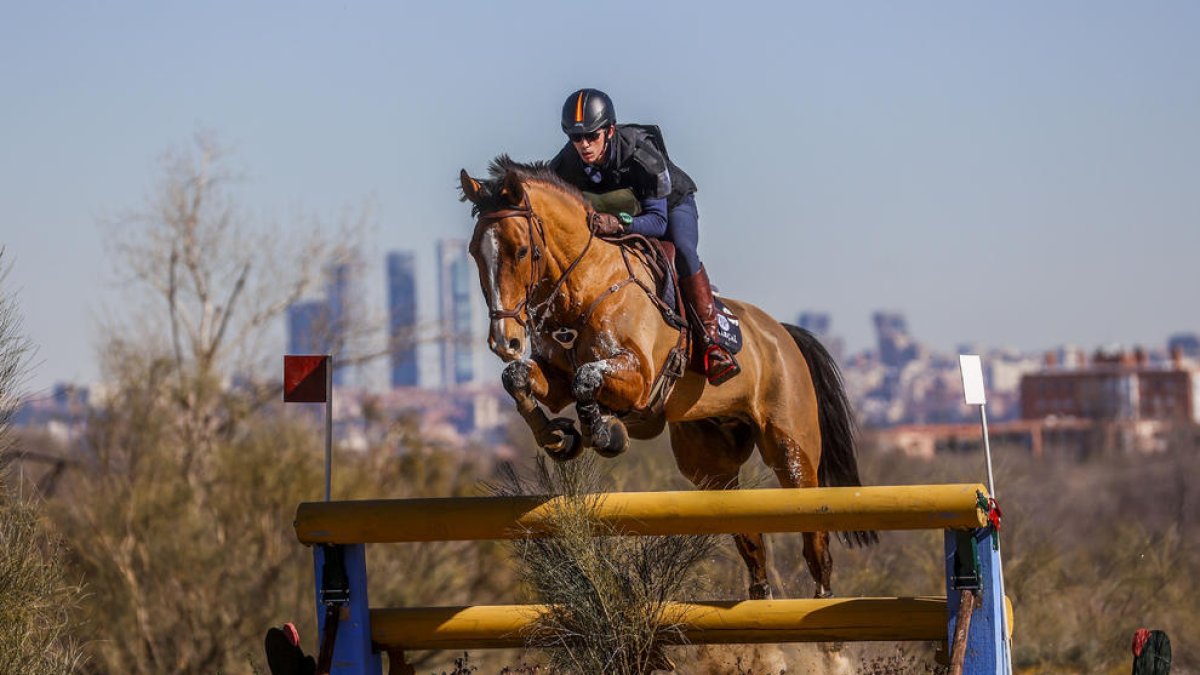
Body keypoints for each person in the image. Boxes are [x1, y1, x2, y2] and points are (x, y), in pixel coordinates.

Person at [548, 88, 740, 385]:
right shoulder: (564, 165)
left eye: (591, 136)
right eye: (575, 138)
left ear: (609, 131)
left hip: (668, 208)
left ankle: (711, 342)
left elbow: (658, 222)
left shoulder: (641, 154)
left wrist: (620, 224)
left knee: (685, 250)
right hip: (620, 217)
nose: (583, 145)